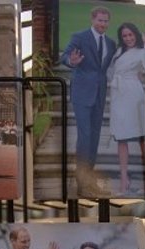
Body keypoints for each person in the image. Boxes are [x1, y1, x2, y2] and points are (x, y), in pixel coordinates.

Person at [61, 6, 115, 197]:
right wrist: (72, 61)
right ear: (93, 20)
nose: (103, 24)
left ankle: (89, 181)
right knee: (85, 136)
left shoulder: (110, 42)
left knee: (94, 138)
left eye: (106, 21)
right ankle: (82, 183)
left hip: (100, 94)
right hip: (82, 93)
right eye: (100, 20)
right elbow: (64, 56)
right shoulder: (80, 37)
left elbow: (107, 68)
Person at [107, 23, 145, 196]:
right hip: (119, 95)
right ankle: (124, 180)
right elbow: (111, 71)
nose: (128, 38)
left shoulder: (143, 50)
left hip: (133, 95)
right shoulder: (119, 51)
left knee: (141, 136)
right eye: (125, 36)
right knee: (121, 138)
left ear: (136, 34)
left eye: (131, 35)